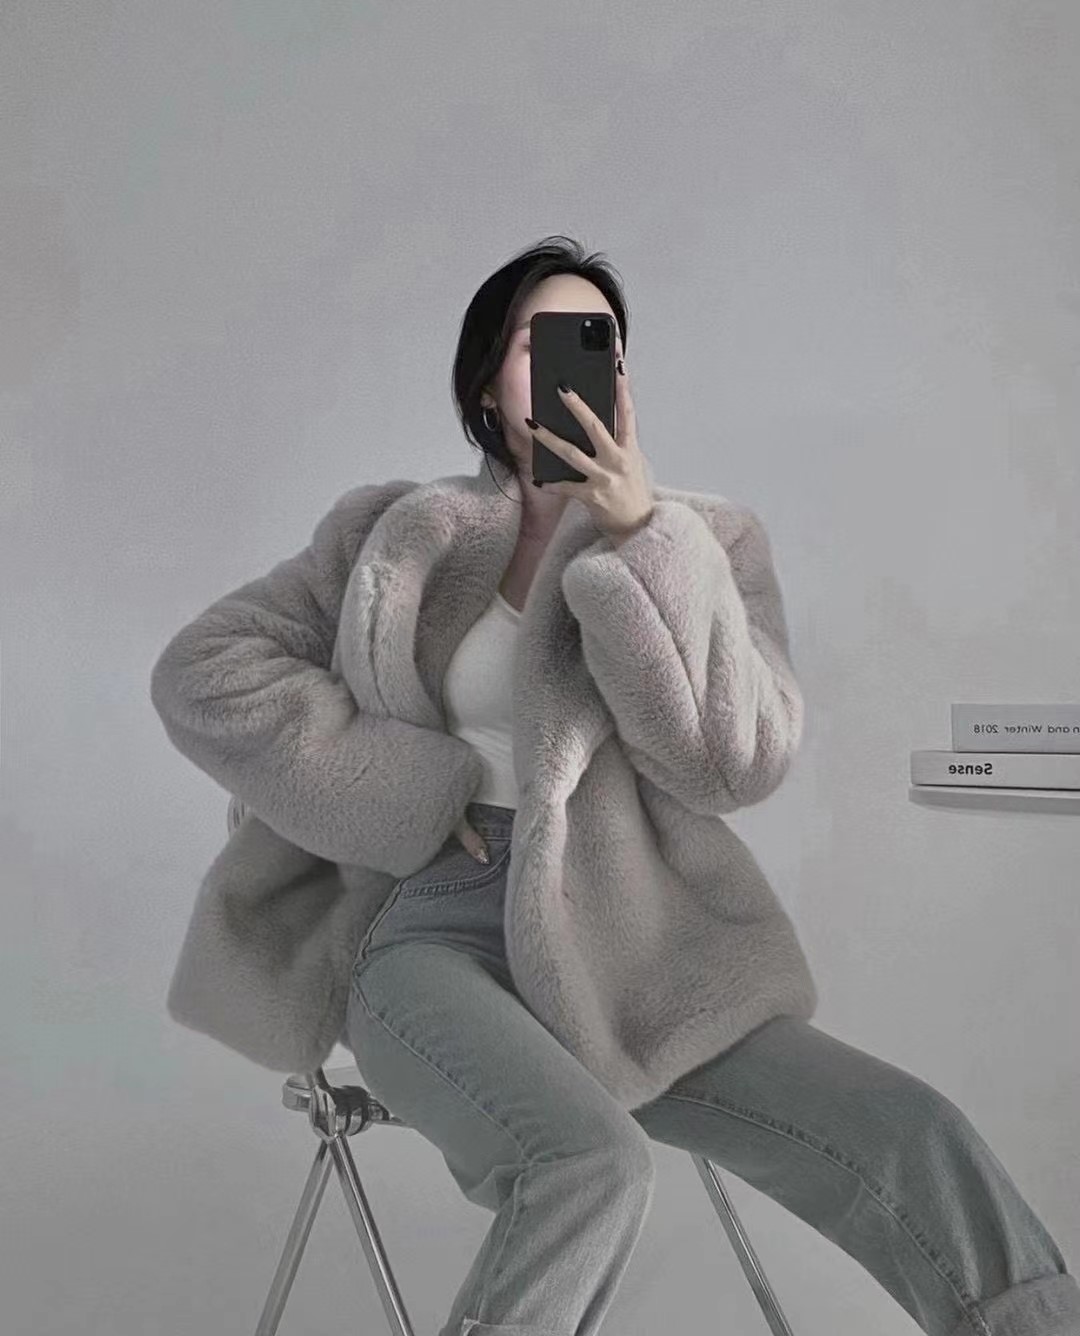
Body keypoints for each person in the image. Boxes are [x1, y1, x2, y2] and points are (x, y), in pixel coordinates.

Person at [152, 234, 1079, 1336]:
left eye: (596, 344)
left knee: (911, 1132)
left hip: (631, 947)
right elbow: (204, 671)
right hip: (425, 934)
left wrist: (644, 541)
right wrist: (413, 791)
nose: (570, 368)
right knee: (587, 1165)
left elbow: (734, 762)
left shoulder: (706, 542)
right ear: (485, 384)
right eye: (537, 343)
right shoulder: (392, 536)